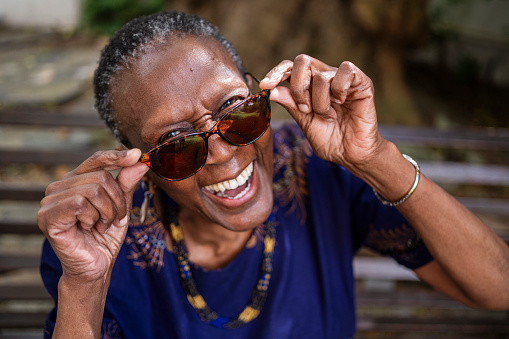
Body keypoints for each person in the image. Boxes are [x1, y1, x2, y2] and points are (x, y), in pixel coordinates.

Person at [37, 11, 509, 339]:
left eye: (238, 112)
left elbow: (497, 288)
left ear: (258, 93)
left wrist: (376, 158)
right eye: (177, 145)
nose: (223, 155)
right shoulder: (98, 243)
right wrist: (85, 285)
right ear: (139, 162)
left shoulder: (316, 170)